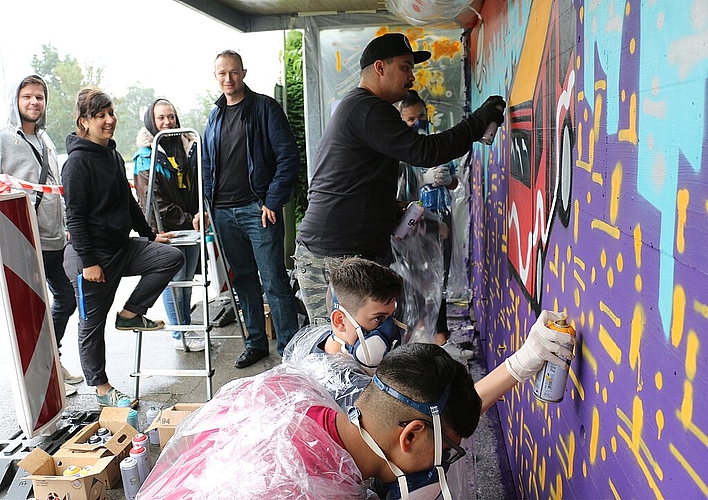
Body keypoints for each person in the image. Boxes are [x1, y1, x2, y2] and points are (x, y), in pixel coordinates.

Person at [294, 32, 506, 326]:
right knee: (345, 355)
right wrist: (477, 122)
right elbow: (426, 151)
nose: (412, 77)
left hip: (340, 250)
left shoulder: (360, 108)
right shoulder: (368, 108)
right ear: (380, 68)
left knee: (365, 348)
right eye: (405, 67)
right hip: (334, 255)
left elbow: (353, 182)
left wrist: (391, 209)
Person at [137, 342, 482, 500]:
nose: (442, 464)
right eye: (447, 452)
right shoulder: (308, 491)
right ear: (411, 436)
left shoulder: (291, 388)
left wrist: (520, 364)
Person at [62, 88, 184, 408]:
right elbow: (73, 216)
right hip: (92, 257)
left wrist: (148, 235)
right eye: (100, 116)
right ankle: (102, 389)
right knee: (92, 326)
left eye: (110, 113)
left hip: (122, 247)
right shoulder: (76, 163)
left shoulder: (113, 154)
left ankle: (131, 313)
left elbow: (129, 202)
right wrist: (89, 262)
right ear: (84, 122)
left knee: (170, 257)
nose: (109, 120)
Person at [202, 50, 300, 368]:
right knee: (243, 279)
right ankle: (256, 342)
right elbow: (206, 165)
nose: (228, 79)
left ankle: (289, 350)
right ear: (215, 76)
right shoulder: (214, 116)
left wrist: (272, 200)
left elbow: (288, 156)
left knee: (273, 279)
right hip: (222, 212)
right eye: (221, 74)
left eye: (233, 72)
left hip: (258, 210)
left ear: (243, 72)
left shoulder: (264, 108)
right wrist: (204, 205)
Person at [0, 75, 83, 397]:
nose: (34, 102)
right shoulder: (6, 139)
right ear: (15, 101)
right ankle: (42, 373)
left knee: (64, 298)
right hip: (21, 236)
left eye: (39, 97)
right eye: (27, 97)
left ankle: (51, 360)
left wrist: (66, 227)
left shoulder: (46, 140)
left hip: (52, 236)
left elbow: (55, 189)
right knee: (39, 304)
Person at [397, 90, 474, 362]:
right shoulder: (398, 151)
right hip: (414, 226)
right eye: (409, 119)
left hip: (442, 219)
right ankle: (418, 343)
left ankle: (440, 341)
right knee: (415, 284)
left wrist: (445, 180)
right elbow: (400, 198)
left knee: (438, 282)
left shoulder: (436, 145)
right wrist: (422, 179)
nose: (416, 123)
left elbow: (454, 182)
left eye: (420, 117)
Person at [133, 98, 203, 352]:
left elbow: (198, 186)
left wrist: (199, 214)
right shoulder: (145, 155)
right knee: (173, 282)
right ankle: (178, 333)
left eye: (171, 116)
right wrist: (189, 218)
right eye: (161, 117)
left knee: (186, 283)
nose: (167, 122)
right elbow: (153, 204)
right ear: (151, 121)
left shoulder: (188, 148)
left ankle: (185, 326)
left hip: (192, 226)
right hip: (168, 228)